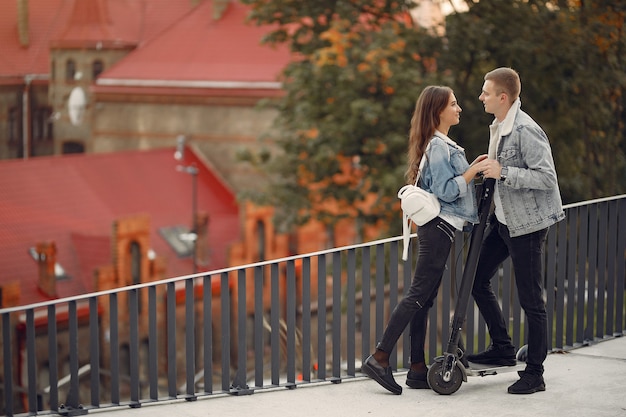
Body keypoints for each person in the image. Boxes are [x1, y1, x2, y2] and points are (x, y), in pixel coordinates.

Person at [362, 85, 487, 394]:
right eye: (454, 104)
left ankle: (417, 368)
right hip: (440, 227)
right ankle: (379, 357)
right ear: (438, 111)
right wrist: (473, 172)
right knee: (418, 294)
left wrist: (473, 172)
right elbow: (446, 191)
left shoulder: (441, 144)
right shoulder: (440, 147)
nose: (459, 109)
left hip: (440, 228)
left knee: (425, 298)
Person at [467, 67, 565, 394]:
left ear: (503, 97)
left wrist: (503, 171)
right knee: (475, 277)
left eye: (486, 92)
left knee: (531, 301)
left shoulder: (526, 130)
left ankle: (535, 373)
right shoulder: (499, 126)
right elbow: (501, 172)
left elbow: (547, 178)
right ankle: (502, 348)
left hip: (527, 226)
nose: (481, 97)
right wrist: (488, 170)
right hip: (504, 221)